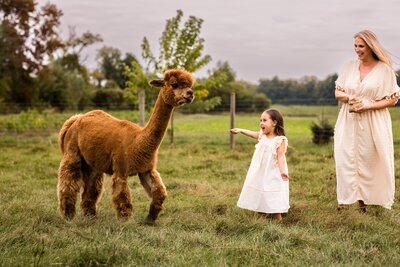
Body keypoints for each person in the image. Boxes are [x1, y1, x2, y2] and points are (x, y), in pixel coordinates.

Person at [334, 29, 399, 212]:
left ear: (371, 47)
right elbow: (338, 91)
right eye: (355, 45)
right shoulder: (348, 66)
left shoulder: (384, 70)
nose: (357, 49)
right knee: (344, 158)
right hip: (348, 120)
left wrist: (367, 106)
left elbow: (392, 99)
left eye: (361, 46)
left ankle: (364, 202)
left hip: (373, 121)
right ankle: (344, 202)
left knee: (368, 159)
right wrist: (348, 97)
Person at [231, 109, 289, 221]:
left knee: (272, 192)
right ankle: (263, 214)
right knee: (259, 190)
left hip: (273, 172)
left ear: (274, 123)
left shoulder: (279, 140)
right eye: (260, 120)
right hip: (260, 171)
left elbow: (281, 156)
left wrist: (282, 171)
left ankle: (277, 218)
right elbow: (254, 134)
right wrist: (241, 130)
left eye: (265, 120)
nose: (261, 123)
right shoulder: (262, 135)